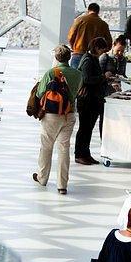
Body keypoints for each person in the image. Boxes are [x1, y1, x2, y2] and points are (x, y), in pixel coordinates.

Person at [33, 45, 82, 195]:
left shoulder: (51, 72)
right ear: (70, 57)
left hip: (51, 115)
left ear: (56, 57)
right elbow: (77, 92)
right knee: (64, 148)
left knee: (46, 146)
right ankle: (62, 185)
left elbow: (41, 93)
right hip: (69, 114)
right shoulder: (78, 74)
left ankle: (42, 177)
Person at [74, 36, 110, 165]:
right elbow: (87, 79)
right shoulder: (88, 60)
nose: (103, 52)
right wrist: (103, 77)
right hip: (87, 99)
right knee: (84, 128)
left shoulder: (92, 58)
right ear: (96, 48)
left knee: (88, 128)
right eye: (102, 49)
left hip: (92, 99)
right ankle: (79, 154)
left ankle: (86, 153)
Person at [67, 2, 111, 68]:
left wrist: (74, 47)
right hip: (93, 57)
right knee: (89, 76)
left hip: (78, 52)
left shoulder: (79, 20)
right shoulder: (103, 24)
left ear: (88, 10)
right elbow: (109, 42)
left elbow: (71, 36)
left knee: (75, 76)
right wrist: (101, 52)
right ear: (98, 12)